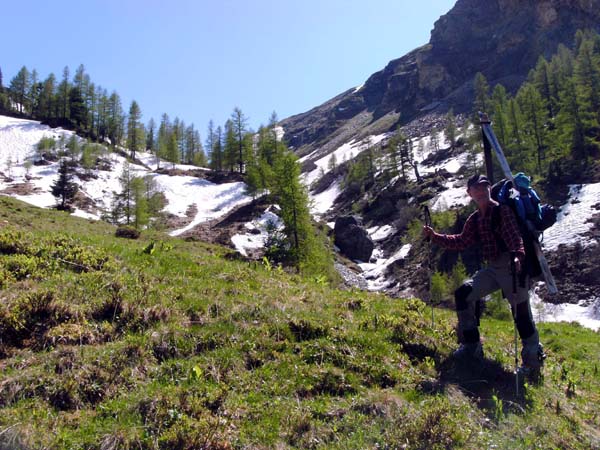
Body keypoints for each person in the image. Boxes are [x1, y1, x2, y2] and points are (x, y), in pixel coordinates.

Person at [423, 174, 544, 378]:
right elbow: (462, 241)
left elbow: (515, 238)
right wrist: (435, 237)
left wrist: (517, 257)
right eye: (476, 189)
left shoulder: (502, 211)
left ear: (488, 189)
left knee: (521, 314)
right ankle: (471, 345)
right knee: (463, 294)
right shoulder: (475, 219)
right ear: (469, 193)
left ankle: (532, 363)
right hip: (493, 268)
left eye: (483, 187)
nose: (480, 192)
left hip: (511, 265)